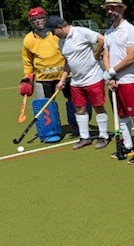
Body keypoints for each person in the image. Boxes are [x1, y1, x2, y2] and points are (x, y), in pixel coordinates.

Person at [45, 16, 110, 150]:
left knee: (98, 107)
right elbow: (68, 62)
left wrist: (96, 54)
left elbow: (102, 40)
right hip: (76, 81)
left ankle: (104, 136)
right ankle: (84, 137)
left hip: (93, 77)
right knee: (79, 109)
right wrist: (62, 80)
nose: (52, 34)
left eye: (52, 31)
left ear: (59, 27)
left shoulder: (81, 32)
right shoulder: (61, 42)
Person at [101, 0, 134, 164]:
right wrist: (110, 75)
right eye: (108, 8)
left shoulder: (130, 30)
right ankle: (128, 146)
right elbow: (106, 55)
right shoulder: (108, 32)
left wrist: (112, 72)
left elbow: (130, 58)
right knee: (121, 115)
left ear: (121, 9)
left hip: (129, 79)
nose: (110, 11)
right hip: (114, 80)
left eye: (113, 8)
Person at [19, 6, 77, 135]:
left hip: (66, 75)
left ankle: (77, 126)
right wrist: (27, 77)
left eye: (40, 18)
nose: (37, 21)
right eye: (34, 19)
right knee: (45, 106)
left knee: (75, 101)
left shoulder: (57, 33)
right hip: (43, 79)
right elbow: (27, 60)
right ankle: (51, 131)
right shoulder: (28, 39)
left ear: (46, 18)